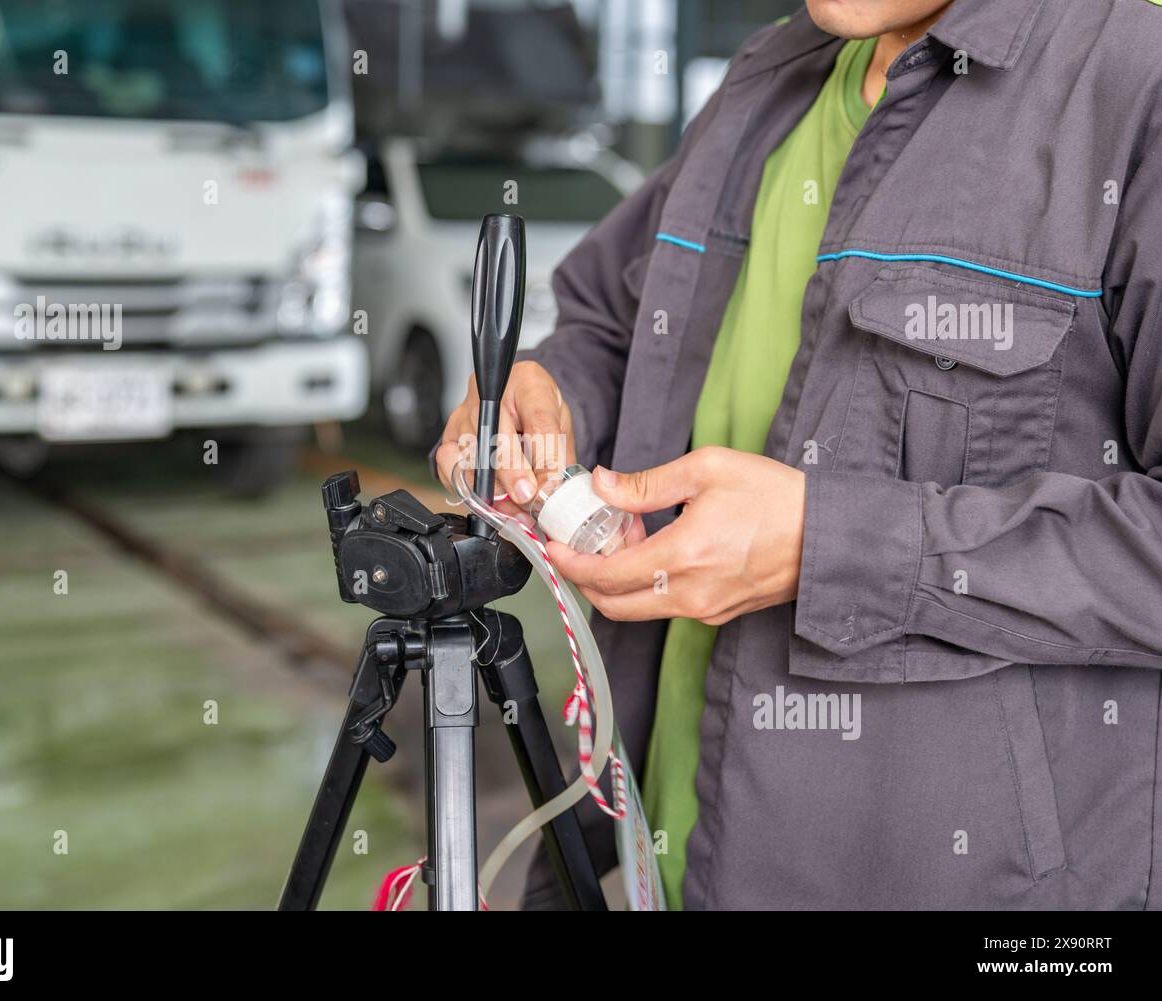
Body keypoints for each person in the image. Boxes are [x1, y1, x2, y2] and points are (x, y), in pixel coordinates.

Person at [435, 0, 1162, 909]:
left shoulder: (1137, 85)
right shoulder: (767, 78)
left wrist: (835, 545)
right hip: (659, 851)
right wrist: (548, 388)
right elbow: (610, 322)